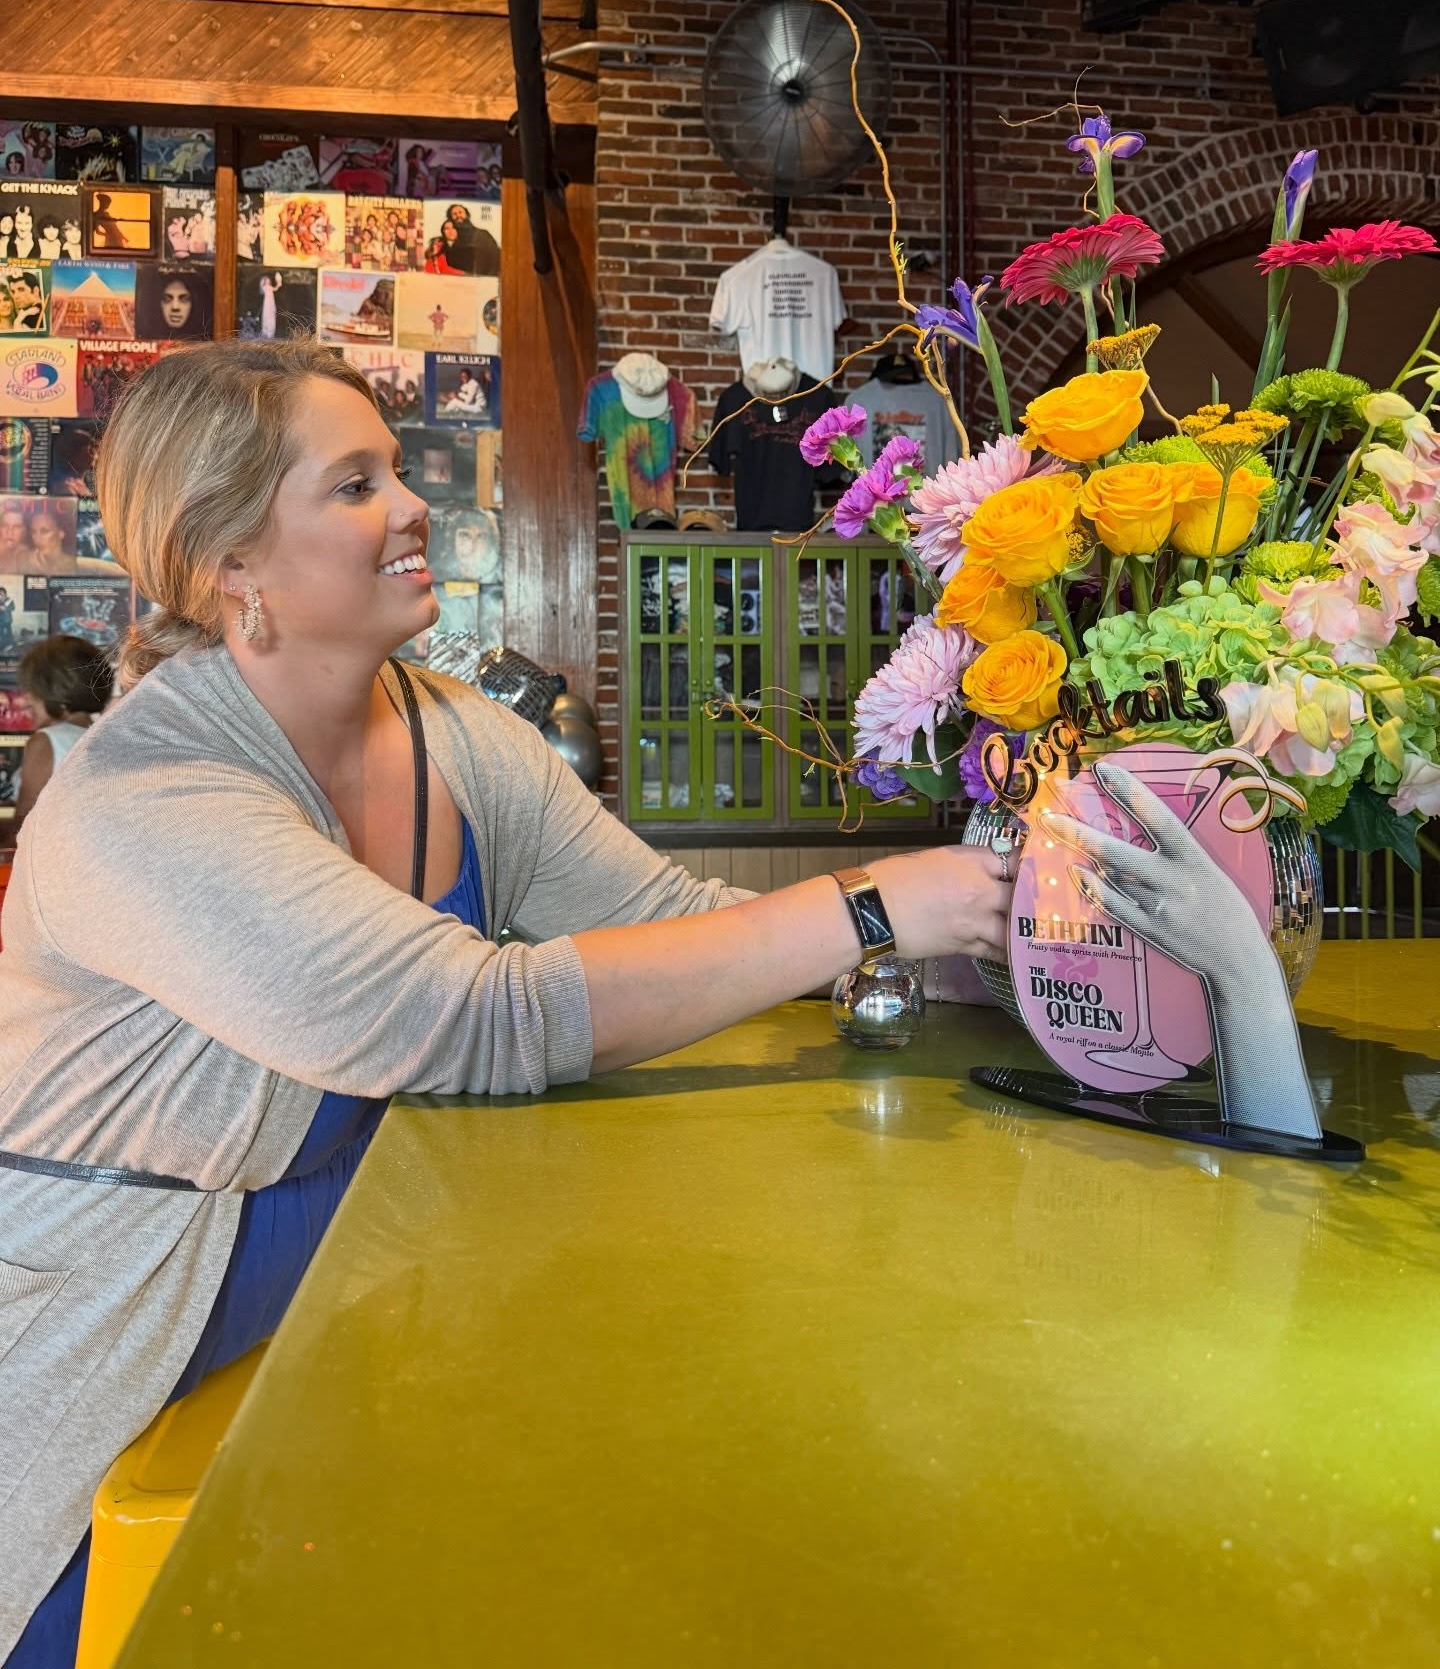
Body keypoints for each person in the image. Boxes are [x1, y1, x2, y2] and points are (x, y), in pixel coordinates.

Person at [0, 339, 1009, 1660]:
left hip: (357, 1320)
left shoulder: (451, 732)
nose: (413, 502)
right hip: (125, 1347)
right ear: (228, 560)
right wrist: (877, 902)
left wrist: (967, 956)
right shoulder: (145, 799)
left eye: (396, 469)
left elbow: (680, 927)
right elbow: (473, 1018)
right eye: (353, 485)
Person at [10, 633, 110, 833]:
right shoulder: (104, 736)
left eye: (34, 691)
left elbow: (26, 821)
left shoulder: (47, 741)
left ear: (56, 693)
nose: (27, 700)